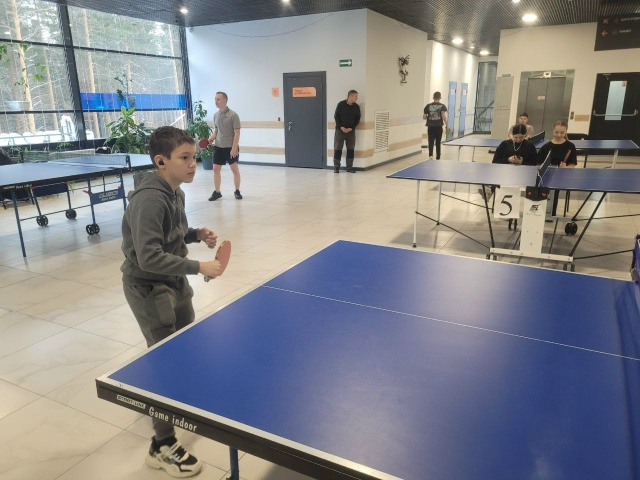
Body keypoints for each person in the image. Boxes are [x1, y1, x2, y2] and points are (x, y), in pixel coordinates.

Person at [121, 126, 222, 478]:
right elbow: (148, 257)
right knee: (164, 361)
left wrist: (195, 234)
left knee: (185, 347)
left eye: (194, 157)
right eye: (185, 158)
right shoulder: (150, 199)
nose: (193, 164)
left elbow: (172, 235)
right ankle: (161, 445)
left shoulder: (174, 190)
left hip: (173, 282)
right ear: (161, 161)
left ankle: (175, 398)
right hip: (149, 288)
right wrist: (199, 266)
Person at [479, 124, 538, 198]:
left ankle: (491, 192)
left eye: (521, 137)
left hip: (522, 174)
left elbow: (534, 164)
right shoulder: (504, 144)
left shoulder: (530, 146)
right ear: (512, 135)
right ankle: (491, 192)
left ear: (525, 135)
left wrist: (522, 162)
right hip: (505, 173)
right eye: (516, 137)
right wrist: (508, 159)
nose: (518, 140)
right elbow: (495, 161)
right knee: (497, 175)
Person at [208, 91, 242, 200]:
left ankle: (237, 191)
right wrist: (211, 138)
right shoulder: (215, 115)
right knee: (215, 169)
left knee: (234, 170)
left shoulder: (233, 115)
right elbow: (216, 131)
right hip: (218, 146)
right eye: (215, 99)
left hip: (230, 147)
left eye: (218, 99)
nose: (216, 101)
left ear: (225, 100)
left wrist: (234, 148)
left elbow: (237, 133)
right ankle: (217, 192)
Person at [333, 89, 361, 173]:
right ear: (350, 96)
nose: (357, 98)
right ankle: (336, 167)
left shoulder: (356, 107)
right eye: (356, 96)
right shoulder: (341, 104)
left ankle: (349, 167)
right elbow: (336, 116)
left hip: (351, 131)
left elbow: (357, 119)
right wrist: (341, 127)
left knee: (350, 149)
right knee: (338, 149)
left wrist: (351, 128)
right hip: (340, 131)